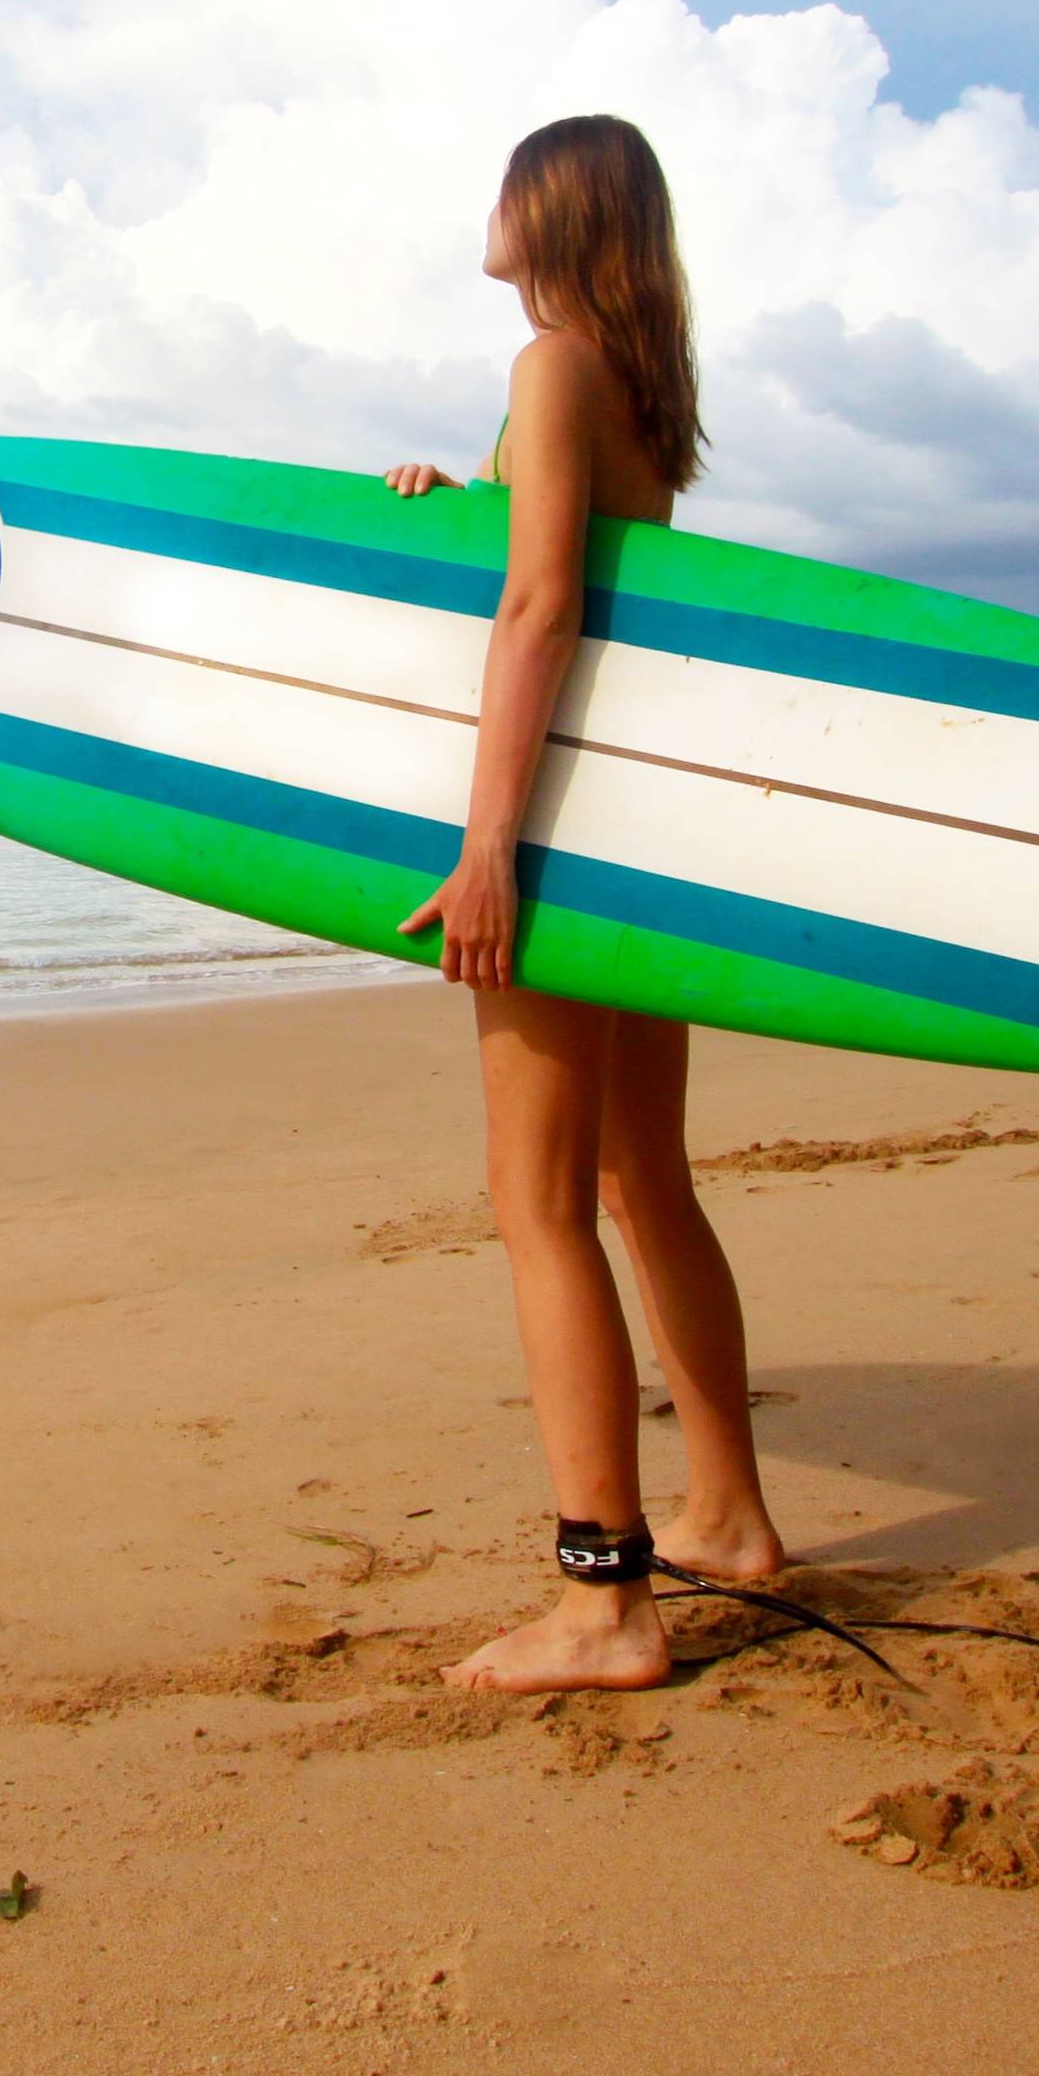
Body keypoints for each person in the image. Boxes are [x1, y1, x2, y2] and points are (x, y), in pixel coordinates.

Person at [384, 114, 787, 1695]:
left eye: (501, 187)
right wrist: (448, 501)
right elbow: (561, 565)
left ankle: (605, 1600)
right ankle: (729, 1516)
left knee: (538, 1202)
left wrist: (487, 850)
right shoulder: (626, 385)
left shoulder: (549, 366)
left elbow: (543, 606)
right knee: (644, 1182)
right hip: (637, 832)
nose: (480, 212)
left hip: (549, 831)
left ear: (546, 212)